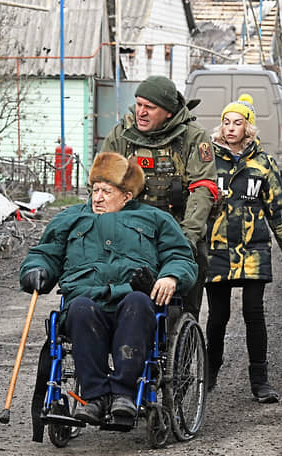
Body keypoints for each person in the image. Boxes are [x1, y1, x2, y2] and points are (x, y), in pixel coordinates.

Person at [19, 152, 198, 425]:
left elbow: (180, 256)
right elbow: (46, 252)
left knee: (138, 304)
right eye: (95, 190)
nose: (97, 198)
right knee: (78, 309)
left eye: (106, 191)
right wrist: (36, 269)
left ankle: (124, 395)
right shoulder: (71, 218)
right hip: (87, 300)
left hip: (134, 300)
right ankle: (95, 397)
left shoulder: (155, 218)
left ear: (127, 196)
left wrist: (171, 277)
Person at [205, 94, 282, 402]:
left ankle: (260, 381)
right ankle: (209, 375)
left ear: (248, 128)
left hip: (253, 252)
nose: (231, 128)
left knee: (253, 314)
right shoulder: (208, 161)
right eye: (226, 122)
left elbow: (279, 213)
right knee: (217, 316)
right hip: (217, 250)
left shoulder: (263, 164)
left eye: (238, 123)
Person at [100, 75, 217, 320]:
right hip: (130, 236)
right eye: (139, 104)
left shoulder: (193, 138)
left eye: (149, 107)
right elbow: (102, 184)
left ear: (168, 112)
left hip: (179, 232)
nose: (141, 112)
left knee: (182, 311)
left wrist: (187, 239)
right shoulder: (122, 135)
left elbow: (203, 189)